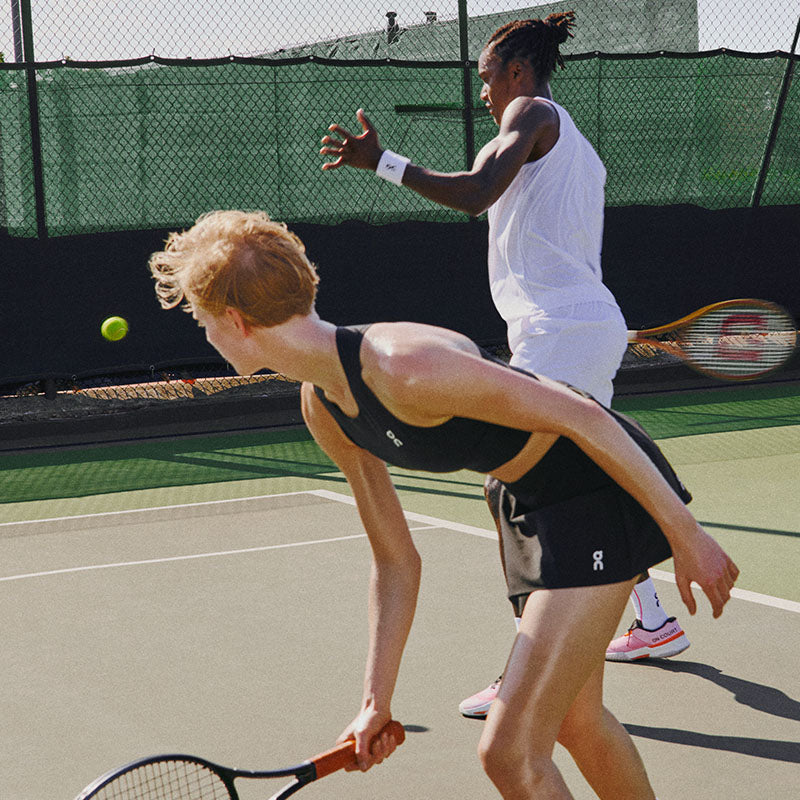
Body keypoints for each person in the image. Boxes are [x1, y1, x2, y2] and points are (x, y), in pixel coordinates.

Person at [148, 209, 739, 800]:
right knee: (575, 722)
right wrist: (375, 703)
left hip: (595, 487)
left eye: (202, 320)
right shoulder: (322, 407)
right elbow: (396, 561)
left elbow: (582, 414)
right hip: (526, 501)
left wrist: (686, 534)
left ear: (236, 319)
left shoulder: (403, 365)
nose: (204, 332)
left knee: (509, 754)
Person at [319, 11, 688, 719]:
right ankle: (649, 617)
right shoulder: (568, 138)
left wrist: (384, 163)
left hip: (562, 330)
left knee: (513, 485)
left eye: (486, 76)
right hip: (573, 326)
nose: (482, 90)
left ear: (518, 70)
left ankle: (526, 667)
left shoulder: (530, 110)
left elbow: (474, 192)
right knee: (584, 472)